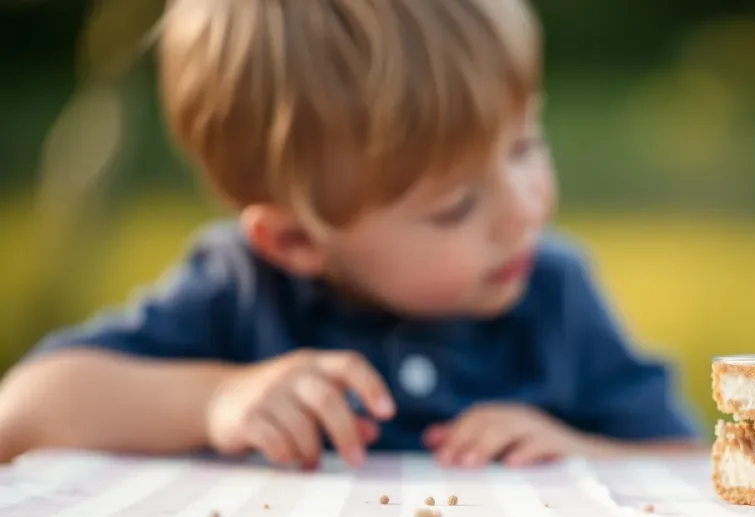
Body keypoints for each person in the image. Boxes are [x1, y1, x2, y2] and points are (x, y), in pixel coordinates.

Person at [0, 0, 701, 470]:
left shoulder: (552, 293)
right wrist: (214, 400)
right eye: (455, 206)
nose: (527, 209)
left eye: (524, 145)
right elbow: (21, 412)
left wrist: (581, 452)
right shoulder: (241, 293)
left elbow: (692, 468)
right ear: (296, 242)